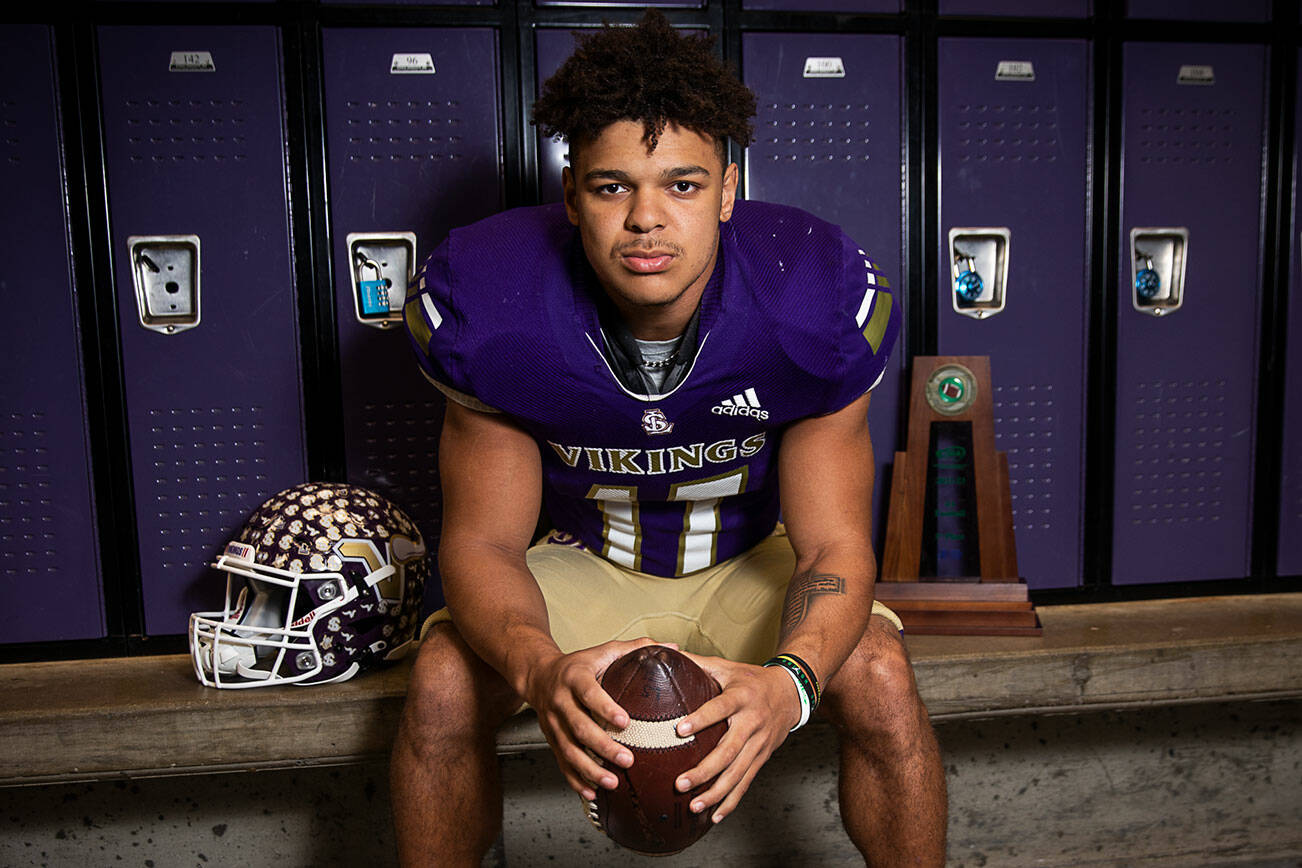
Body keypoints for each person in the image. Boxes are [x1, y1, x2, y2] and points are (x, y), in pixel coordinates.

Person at [390, 11, 946, 866]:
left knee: (876, 671)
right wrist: (540, 669)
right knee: (440, 685)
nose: (647, 219)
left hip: (747, 562)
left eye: (682, 186)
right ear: (571, 193)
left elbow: (833, 543)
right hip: (584, 561)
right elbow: (483, 543)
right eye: (614, 187)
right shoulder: (494, 307)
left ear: (728, 191)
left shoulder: (809, 296)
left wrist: (790, 685)